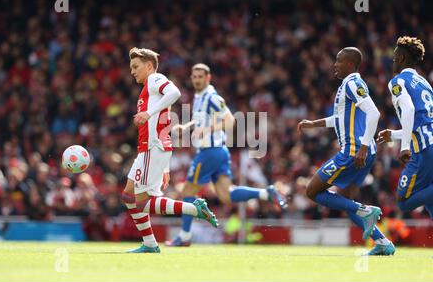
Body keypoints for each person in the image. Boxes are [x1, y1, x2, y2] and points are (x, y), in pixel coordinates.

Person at [166, 63, 286, 247]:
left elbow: (229, 120)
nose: (197, 79)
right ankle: (266, 193)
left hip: (210, 152)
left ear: (208, 78)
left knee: (188, 191)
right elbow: (200, 121)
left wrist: (206, 129)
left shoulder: (212, 97)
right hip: (218, 153)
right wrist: (187, 127)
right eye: (194, 76)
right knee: (226, 195)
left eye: (200, 76)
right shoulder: (199, 98)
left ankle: (184, 236)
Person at [298, 47, 395, 255]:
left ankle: (365, 210)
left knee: (312, 191)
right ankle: (382, 243)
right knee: (346, 202)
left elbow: (374, 113)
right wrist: (314, 124)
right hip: (361, 153)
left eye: (339, 61)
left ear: (350, 64)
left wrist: (363, 146)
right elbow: (341, 119)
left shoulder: (353, 83)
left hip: (353, 152)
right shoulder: (347, 86)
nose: (335, 64)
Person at [121, 48, 218, 254]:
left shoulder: (155, 78)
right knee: (129, 196)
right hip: (150, 150)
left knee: (144, 203)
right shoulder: (148, 88)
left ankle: (194, 209)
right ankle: (149, 243)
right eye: (131, 68)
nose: (132, 71)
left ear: (149, 66)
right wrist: (165, 168)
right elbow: (162, 125)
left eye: (136, 67)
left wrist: (148, 112)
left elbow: (175, 93)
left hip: (152, 148)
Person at [378, 36, 433, 220]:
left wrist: (405, 147)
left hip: (424, 150)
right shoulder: (424, 83)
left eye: (394, 56)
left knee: (403, 201)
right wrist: (394, 135)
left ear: (401, 58)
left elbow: (408, 109)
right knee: (428, 198)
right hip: (429, 143)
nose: (392, 59)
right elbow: (421, 124)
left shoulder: (398, 81)